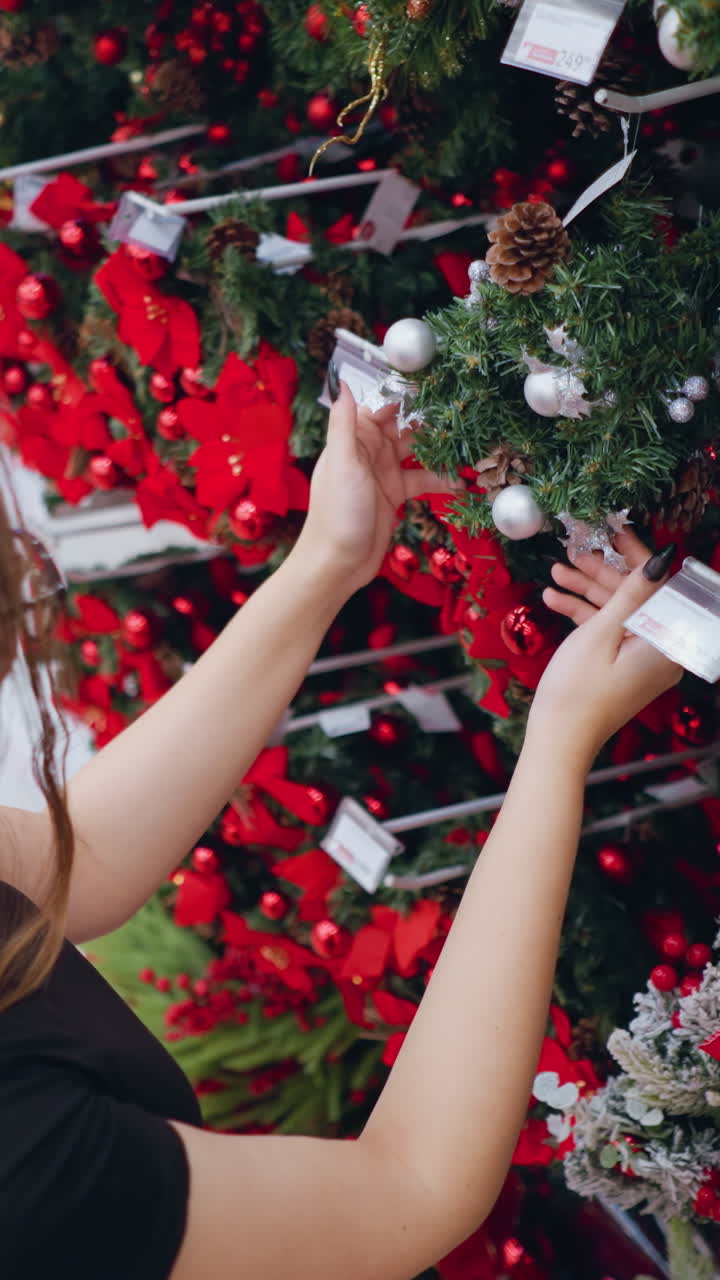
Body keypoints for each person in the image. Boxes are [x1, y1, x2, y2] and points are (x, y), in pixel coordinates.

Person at [0, 380, 680, 1280]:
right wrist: (557, 743)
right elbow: (408, 1192)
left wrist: (331, 554)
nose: (38, 563)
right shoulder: (28, 1173)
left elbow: (72, 866)